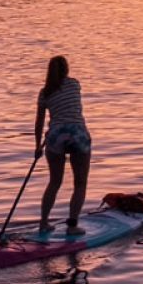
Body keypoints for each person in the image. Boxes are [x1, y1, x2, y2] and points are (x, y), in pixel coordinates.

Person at [32, 55, 91, 233]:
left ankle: (43, 222)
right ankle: (72, 226)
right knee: (80, 183)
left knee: (54, 182)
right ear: (66, 69)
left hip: (55, 136)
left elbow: (39, 121)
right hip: (77, 134)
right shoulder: (74, 84)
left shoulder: (44, 93)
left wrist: (37, 146)